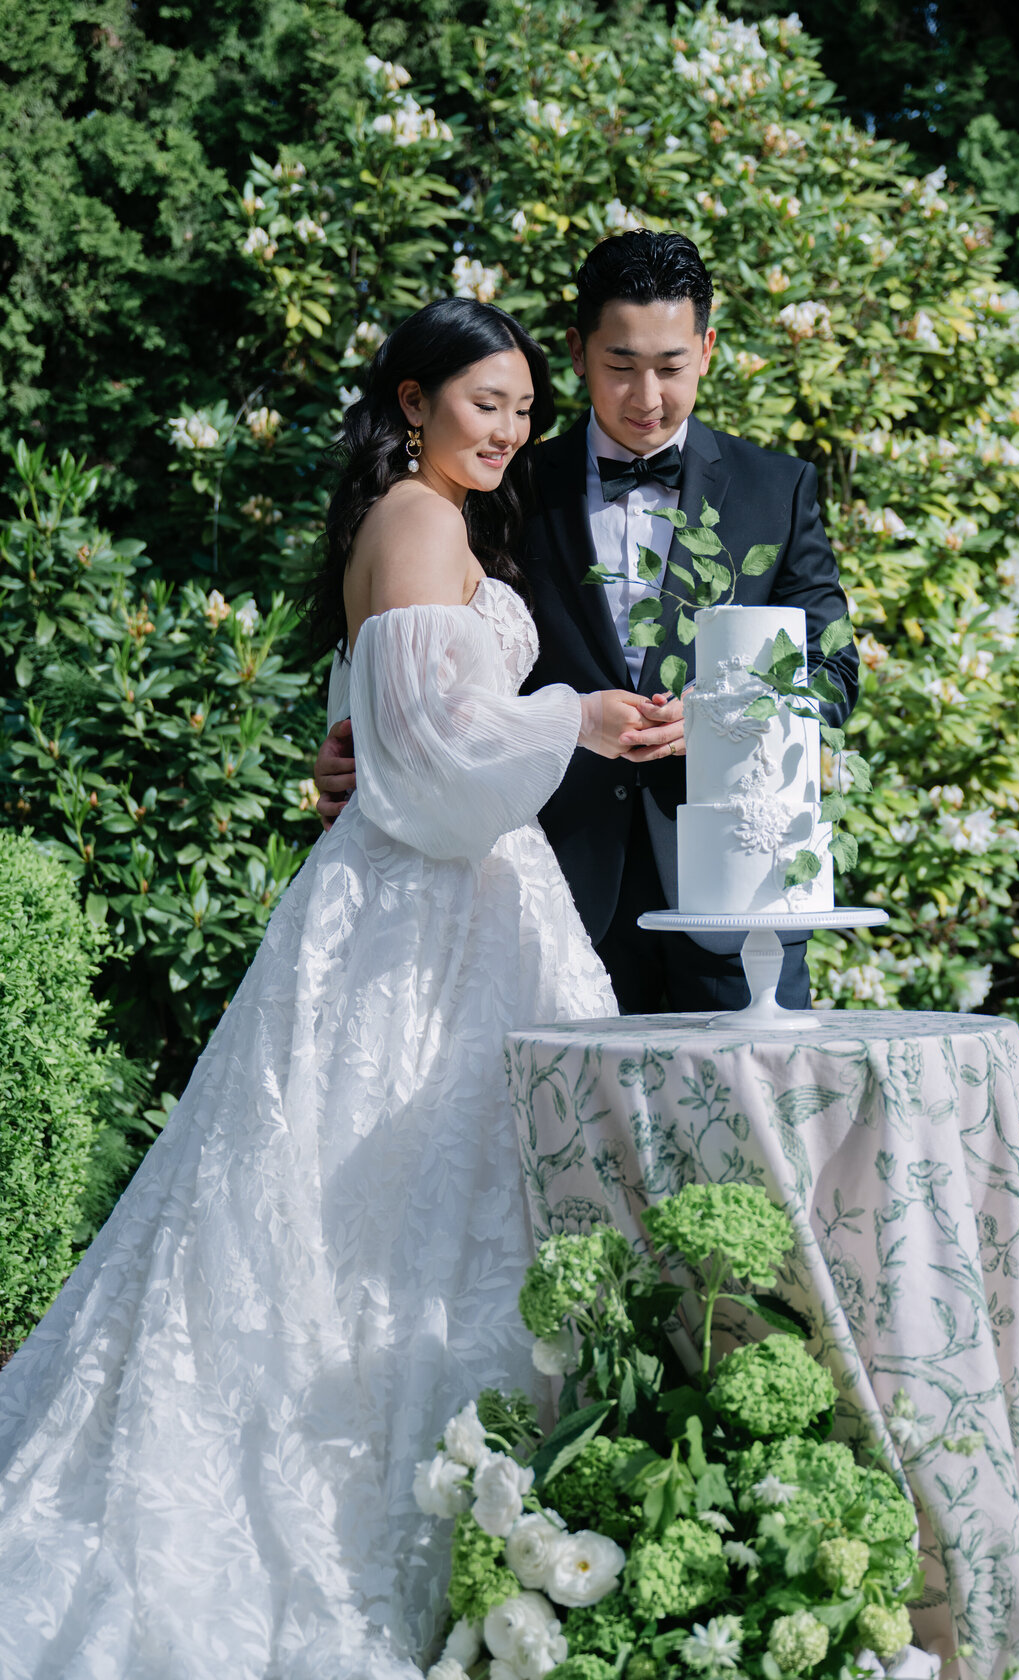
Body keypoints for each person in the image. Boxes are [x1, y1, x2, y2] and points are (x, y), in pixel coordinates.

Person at [0, 298, 625, 1680]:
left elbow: (382, 742)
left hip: (454, 907)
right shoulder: (416, 518)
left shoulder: (444, 522)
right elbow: (425, 763)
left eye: (523, 407)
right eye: (485, 403)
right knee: (356, 1229)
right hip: (418, 932)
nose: (510, 429)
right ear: (414, 402)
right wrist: (569, 721)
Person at [316, 232, 858, 1013]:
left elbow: (836, 673)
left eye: (671, 368)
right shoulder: (504, 480)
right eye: (621, 367)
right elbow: (419, 647)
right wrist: (352, 744)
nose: (647, 399)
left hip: (737, 899)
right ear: (575, 350)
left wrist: (715, 715)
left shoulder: (780, 489)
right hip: (543, 898)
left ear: (707, 348)